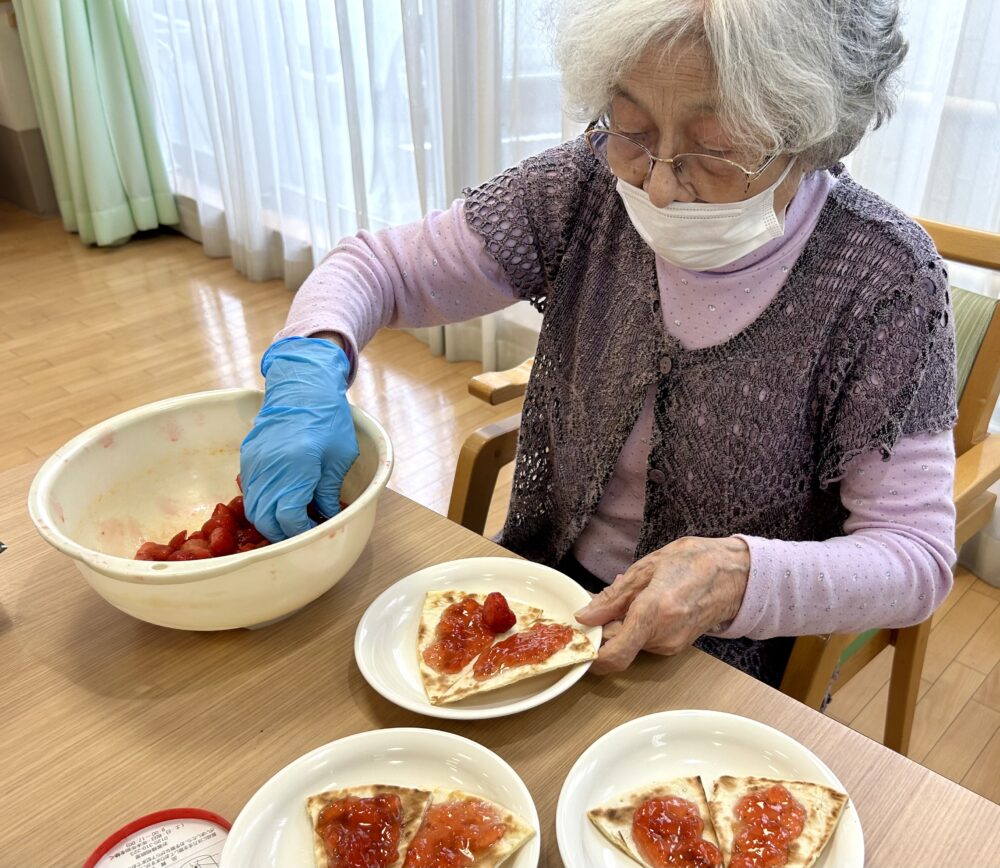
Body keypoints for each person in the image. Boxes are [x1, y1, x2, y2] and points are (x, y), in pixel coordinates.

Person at [240, 0, 957, 688]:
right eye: (633, 129)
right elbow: (378, 268)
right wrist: (310, 365)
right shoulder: (584, 183)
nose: (660, 186)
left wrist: (735, 576)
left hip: (722, 661)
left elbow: (915, 559)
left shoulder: (883, 279)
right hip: (543, 590)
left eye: (715, 152)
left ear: (810, 138)